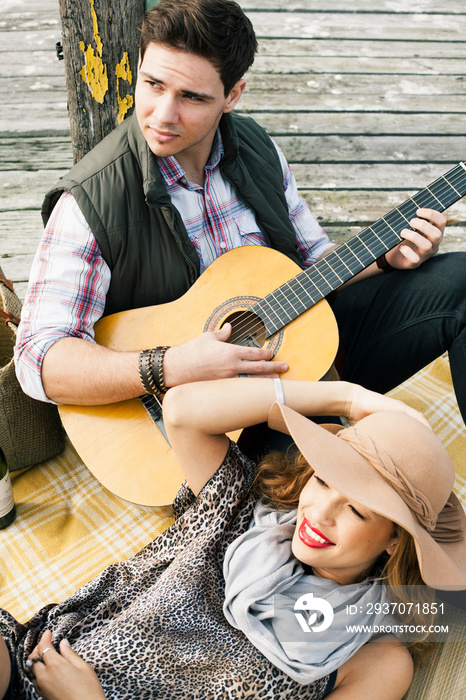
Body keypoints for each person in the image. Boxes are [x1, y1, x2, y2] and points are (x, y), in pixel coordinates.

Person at [13, 0, 466, 426]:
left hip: (297, 352)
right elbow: (39, 360)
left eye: (192, 97)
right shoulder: (90, 201)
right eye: (153, 85)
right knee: (343, 472)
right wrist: (171, 365)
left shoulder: (256, 149)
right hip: (200, 417)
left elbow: (312, 265)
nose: (162, 114)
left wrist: (386, 260)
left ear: (232, 95)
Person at [1, 377, 464, 699]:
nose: (317, 513)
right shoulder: (240, 510)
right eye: (323, 480)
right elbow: (183, 410)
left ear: (394, 541)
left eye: (357, 510)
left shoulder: (375, 658)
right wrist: (345, 399)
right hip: (32, 660)